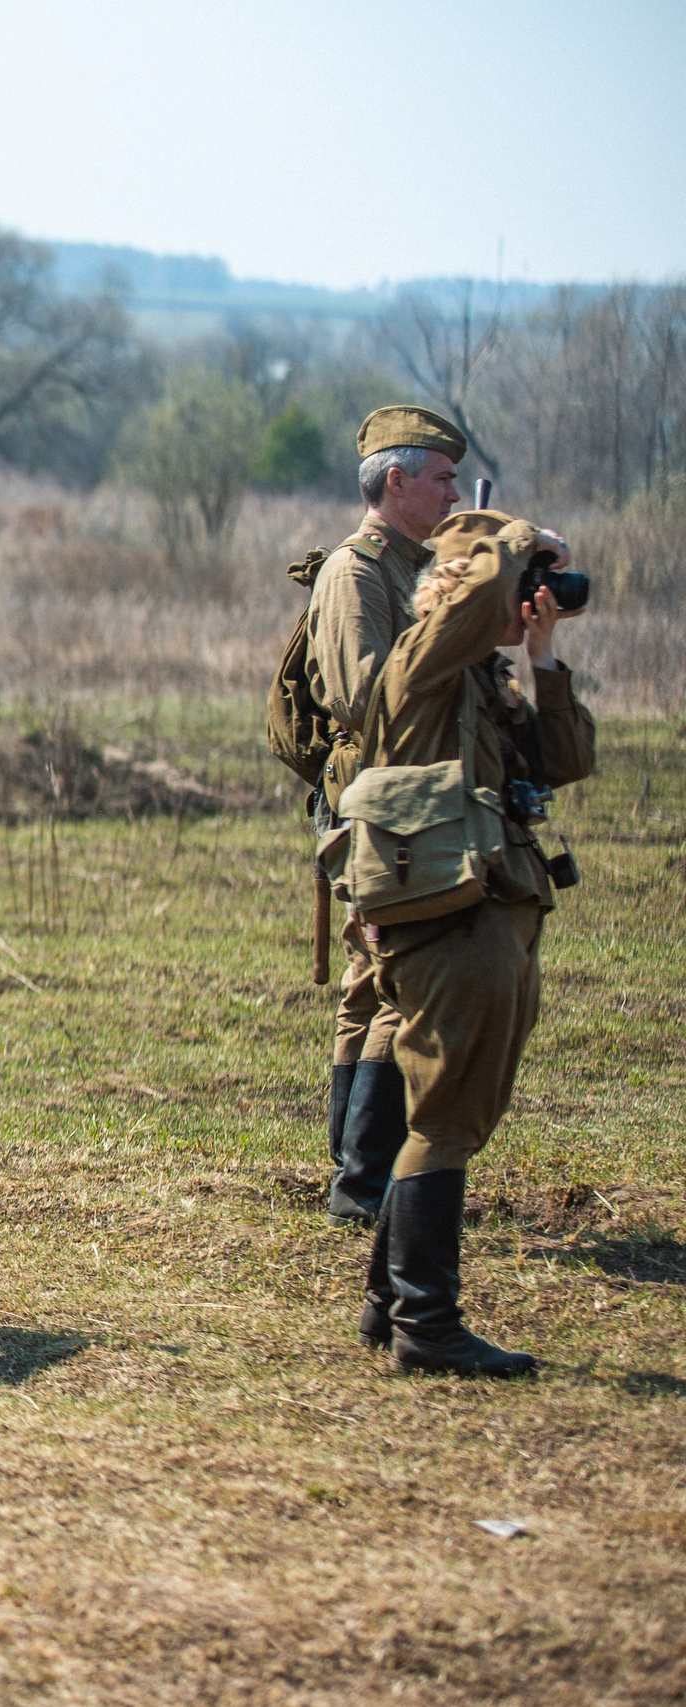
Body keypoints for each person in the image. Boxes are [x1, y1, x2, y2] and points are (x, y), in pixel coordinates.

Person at [351, 510, 592, 1376]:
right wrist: (519, 538)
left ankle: (391, 1306)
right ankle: (427, 1323)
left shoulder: (483, 684)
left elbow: (565, 758)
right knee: (447, 1115)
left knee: (458, 1114)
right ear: (461, 593)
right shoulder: (420, 665)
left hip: (499, 911)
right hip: (454, 922)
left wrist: (543, 653)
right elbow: (478, 584)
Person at [306, 406, 464, 1225]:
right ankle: (363, 1187)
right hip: (376, 806)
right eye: (441, 478)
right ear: (395, 481)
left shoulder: (417, 565)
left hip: (411, 804)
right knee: (392, 979)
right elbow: (362, 694)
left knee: (372, 982)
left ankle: (355, 1177)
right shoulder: (357, 573)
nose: (454, 492)